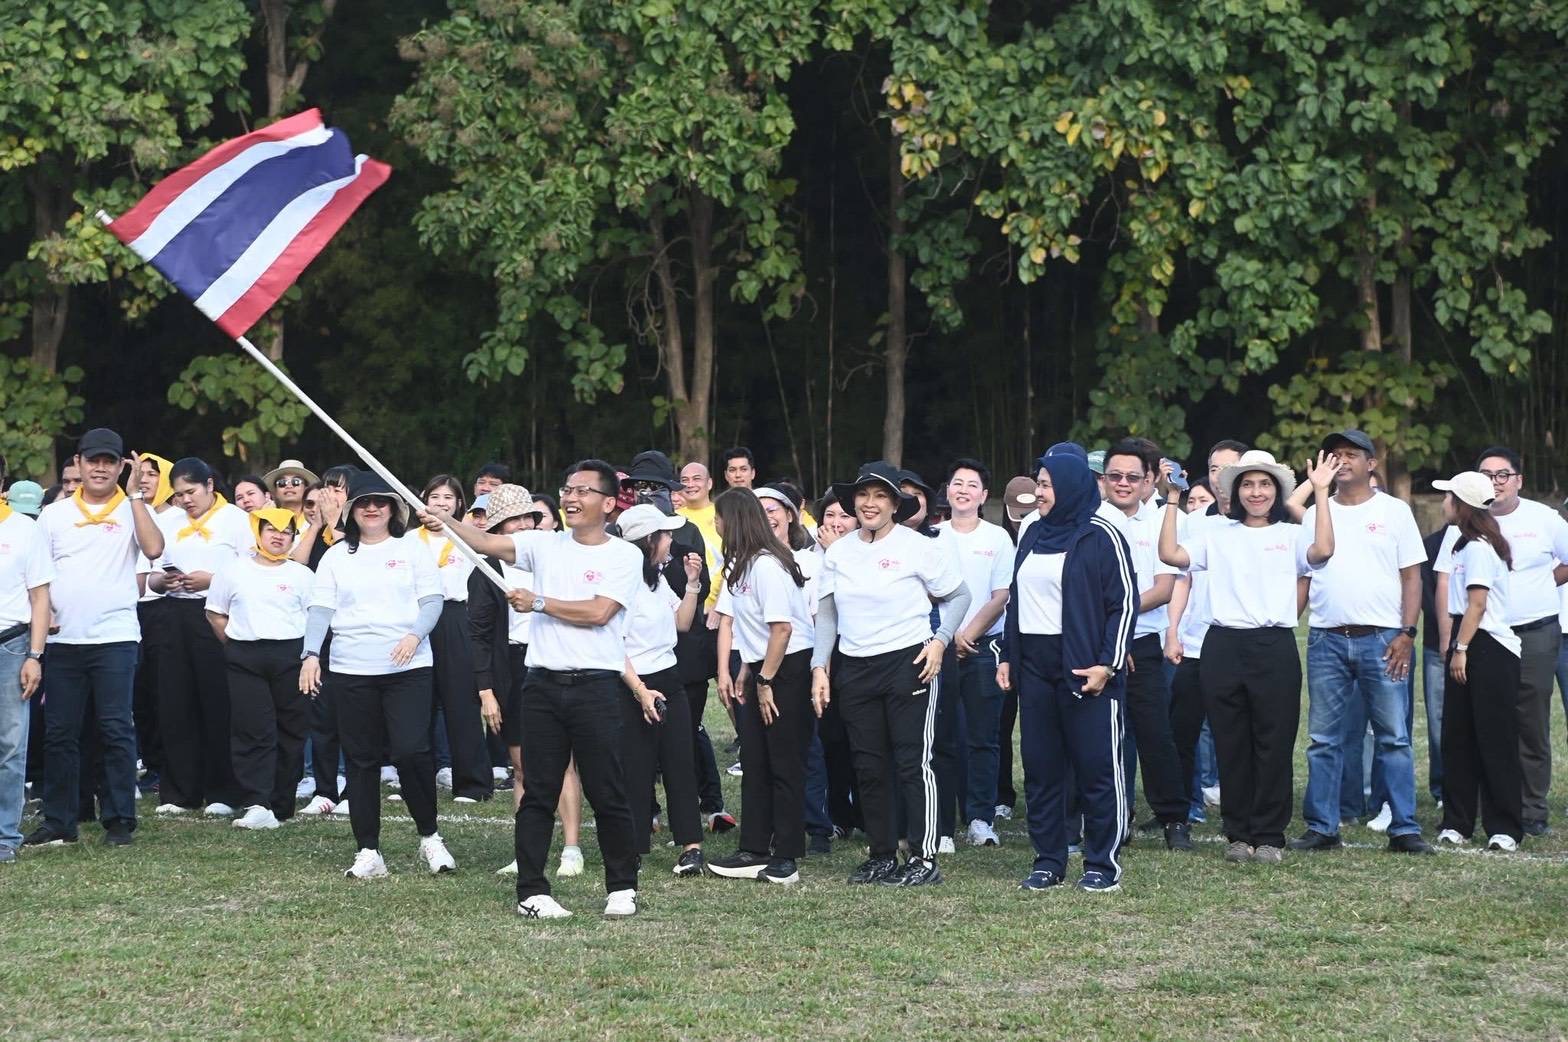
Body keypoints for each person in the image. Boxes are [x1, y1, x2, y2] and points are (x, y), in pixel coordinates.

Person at [424, 459, 644, 920]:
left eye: (582, 491)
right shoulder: (542, 544)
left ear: (608, 503)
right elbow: (486, 542)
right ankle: (531, 891)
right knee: (537, 790)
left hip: (597, 687)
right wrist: (447, 521)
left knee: (607, 790)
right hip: (541, 685)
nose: (571, 497)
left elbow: (600, 612)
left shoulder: (624, 555)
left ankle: (622, 887)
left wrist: (539, 602)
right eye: (567, 489)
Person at [1159, 449, 1337, 864]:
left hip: (1274, 646)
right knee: (1230, 742)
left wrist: (1321, 492)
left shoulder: (1291, 535)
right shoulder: (1216, 534)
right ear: (1236, 491)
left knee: (1274, 742)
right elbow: (1170, 555)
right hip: (1223, 645)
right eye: (1248, 484)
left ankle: (1269, 835)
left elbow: (1324, 550)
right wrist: (1172, 498)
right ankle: (1238, 834)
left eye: (1265, 484)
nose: (1257, 492)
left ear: (1277, 490)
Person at [812, 460, 970, 887]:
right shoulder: (839, 551)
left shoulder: (917, 546)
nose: (870, 503)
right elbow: (827, 612)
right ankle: (881, 854)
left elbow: (959, 595)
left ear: (895, 505)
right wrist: (820, 666)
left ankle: (923, 857)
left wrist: (940, 641)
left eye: (880, 496)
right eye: (863, 495)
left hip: (909, 663)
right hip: (855, 666)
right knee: (868, 765)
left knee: (912, 763)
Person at [300, 472, 455, 879]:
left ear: (393, 509)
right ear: (351, 511)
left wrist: (414, 635)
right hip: (351, 669)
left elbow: (432, 601)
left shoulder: (412, 549)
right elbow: (320, 609)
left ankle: (430, 836)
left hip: (409, 667)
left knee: (410, 751)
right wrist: (311, 654)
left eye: (380, 502)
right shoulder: (336, 557)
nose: (372, 508)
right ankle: (368, 850)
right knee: (361, 759)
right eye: (364, 503)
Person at [997, 451, 1135, 892]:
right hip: (1034, 669)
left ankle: (1102, 865)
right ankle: (1048, 861)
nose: (1038, 492)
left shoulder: (1101, 535)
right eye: (1039, 483)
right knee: (1041, 770)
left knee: (1097, 771)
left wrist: (1108, 664)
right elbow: (1016, 598)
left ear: (1071, 486)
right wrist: (1008, 655)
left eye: (1046, 485)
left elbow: (1123, 605)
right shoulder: (1032, 532)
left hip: (1085, 668)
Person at [1291, 430, 1432, 855]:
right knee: (1323, 739)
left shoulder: (1394, 511)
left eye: (1351, 454)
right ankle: (1322, 827)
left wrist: (1407, 633)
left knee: (1393, 737)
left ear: (1371, 464)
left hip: (1383, 638)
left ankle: (1404, 828)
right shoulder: (1317, 513)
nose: (1342, 461)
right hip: (1327, 639)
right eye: (1335, 454)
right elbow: (1306, 573)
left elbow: (1412, 576)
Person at [27, 429, 164, 848]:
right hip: (64, 640)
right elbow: (38, 575)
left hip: (115, 637)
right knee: (60, 732)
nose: (100, 468)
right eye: (93, 460)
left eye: (109, 461)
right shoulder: (54, 515)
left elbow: (154, 549)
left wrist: (136, 495)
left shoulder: (132, 508)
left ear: (121, 466)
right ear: (79, 463)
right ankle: (60, 820)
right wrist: (45, 616)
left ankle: (120, 820)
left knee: (116, 729)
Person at [1435, 447, 1568, 838]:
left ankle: (1528, 811)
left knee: (1526, 724)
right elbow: (1447, 583)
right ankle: (1472, 812)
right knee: (1472, 726)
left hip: (1527, 633)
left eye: (1502, 474)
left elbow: (1478, 601)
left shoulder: (1541, 520)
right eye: (1486, 474)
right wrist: (1451, 640)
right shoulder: (1462, 535)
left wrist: (1542, 584)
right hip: (1479, 637)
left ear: (1518, 480)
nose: (1495, 481)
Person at [710, 489, 816, 883]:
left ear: (734, 520)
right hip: (762, 665)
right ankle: (753, 848)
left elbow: (782, 629)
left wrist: (766, 680)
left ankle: (786, 856)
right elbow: (751, 627)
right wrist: (746, 669)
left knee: (784, 762)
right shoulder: (740, 563)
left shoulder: (767, 566)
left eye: (719, 516)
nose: (715, 523)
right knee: (755, 758)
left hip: (787, 667)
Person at [145, 457, 253, 817]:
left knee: (218, 702)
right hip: (174, 614)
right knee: (175, 702)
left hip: (218, 615)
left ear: (210, 485)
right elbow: (151, 574)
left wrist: (213, 580)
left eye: (191, 491)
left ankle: (224, 790)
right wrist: (164, 581)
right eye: (178, 494)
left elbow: (254, 569)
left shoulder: (237, 520)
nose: (185, 500)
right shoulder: (170, 521)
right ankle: (180, 791)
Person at [1098, 439, 1188, 850]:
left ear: (1148, 480)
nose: (1123, 483)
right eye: (1115, 476)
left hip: (1142, 643)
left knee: (1155, 735)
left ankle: (1173, 819)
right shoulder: (1090, 520)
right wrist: (1111, 636)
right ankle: (1115, 817)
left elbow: (1164, 588)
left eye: (1132, 477)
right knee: (1104, 737)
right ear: (1104, 479)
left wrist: (1121, 624)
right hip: (1098, 646)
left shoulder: (1159, 522)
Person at [205, 507, 315, 830]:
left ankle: (282, 803)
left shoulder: (302, 575)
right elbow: (215, 613)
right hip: (244, 656)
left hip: (291, 656)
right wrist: (235, 646)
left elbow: (316, 619)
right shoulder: (232, 570)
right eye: (272, 530)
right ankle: (257, 801)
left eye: (287, 532)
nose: (279, 537)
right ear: (258, 532)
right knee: (253, 729)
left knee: (291, 730)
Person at [1431, 472, 1523, 852]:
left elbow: (1477, 605)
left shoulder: (1479, 548)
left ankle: (1504, 828)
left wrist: (1461, 648)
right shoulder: (1462, 545)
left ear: (1462, 504)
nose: (1443, 503)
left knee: (1494, 739)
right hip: (1468, 641)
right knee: (1458, 737)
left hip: (1488, 647)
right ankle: (1457, 822)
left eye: (1448, 497)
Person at [616, 503, 707, 876]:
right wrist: (640, 691)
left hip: (670, 679)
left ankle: (691, 847)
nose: (672, 539)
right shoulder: (622, 586)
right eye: (666, 534)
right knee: (636, 768)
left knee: (680, 762)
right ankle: (633, 847)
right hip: (633, 684)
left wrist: (692, 584)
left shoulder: (657, 578)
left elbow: (682, 623)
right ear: (648, 541)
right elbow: (614, 647)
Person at [936, 458, 1012, 849]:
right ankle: (941, 822)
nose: (963, 490)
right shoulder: (931, 537)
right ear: (947, 490)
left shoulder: (997, 538)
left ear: (984, 496)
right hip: (939, 648)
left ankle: (980, 817)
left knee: (984, 737)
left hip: (984, 649)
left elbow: (1001, 595)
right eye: (957, 483)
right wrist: (949, 635)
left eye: (971, 485)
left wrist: (968, 634)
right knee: (941, 736)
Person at [417, 474, 493, 804]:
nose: (441, 503)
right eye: (435, 497)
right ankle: (417, 780)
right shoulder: (408, 540)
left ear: (460, 503)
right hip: (415, 619)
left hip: (454, 618)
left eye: (448, 497)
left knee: (461, 701)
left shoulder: (468, 538)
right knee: (416, 702)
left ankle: (473, 783)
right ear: (423, 500)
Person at [0, 470, 52, 863]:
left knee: (11, 745)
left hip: (13, 644)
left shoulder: (24, 528)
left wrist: (35, 655)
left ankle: (5, 835)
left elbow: (40, 596)